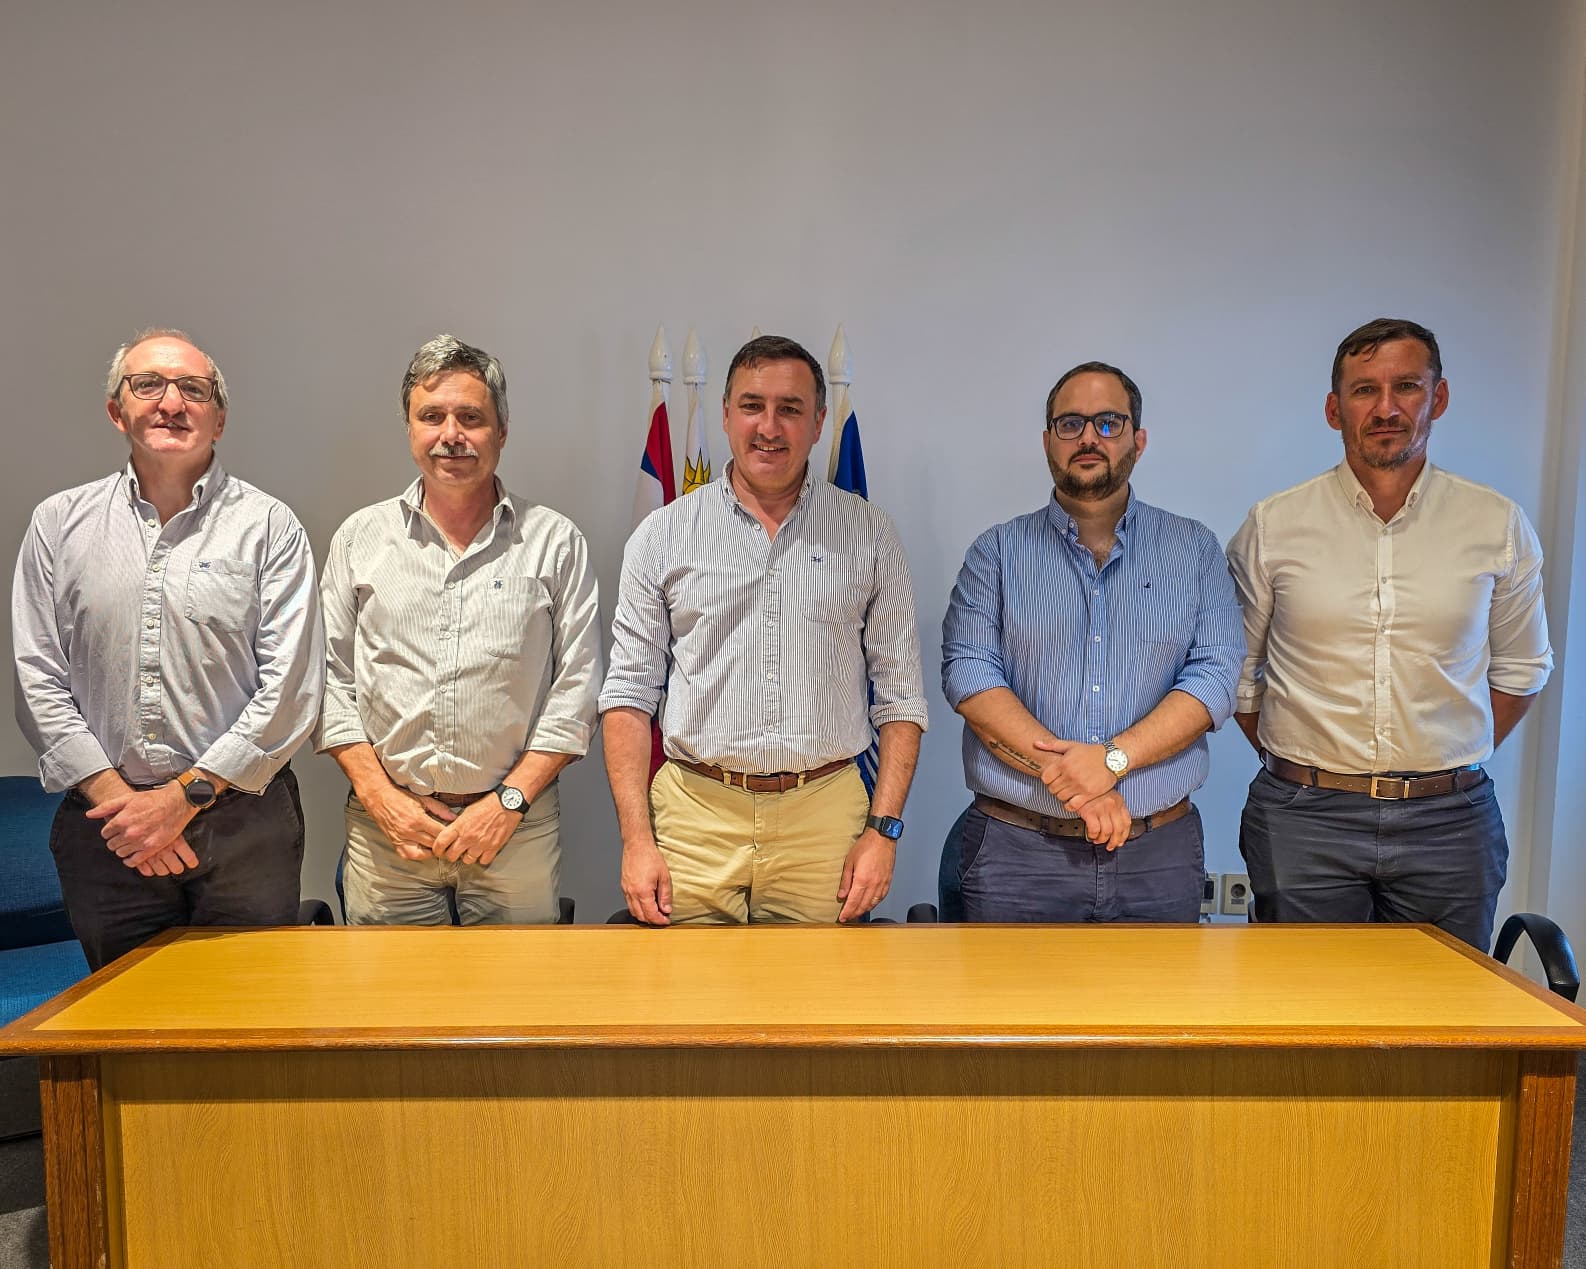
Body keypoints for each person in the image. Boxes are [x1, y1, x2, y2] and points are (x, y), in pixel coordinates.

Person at [1227, 317, 1553, 950]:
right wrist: (1300, 761)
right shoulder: (1273, 526)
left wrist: (1441, 761)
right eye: (1363, 390)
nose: (1385, 408)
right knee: (1307, 1003)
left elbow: (1522, 670)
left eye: (1406, 386)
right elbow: (1237, 673)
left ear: (1438, 397)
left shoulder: (1495, 525)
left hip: (1450, 823)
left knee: (1442, 1004)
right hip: (1304, 819)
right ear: (1334, 409)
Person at [12, 328, 323, 969]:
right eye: (148, 384)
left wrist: (181, 800)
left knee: (249, 1007)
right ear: (116, 409)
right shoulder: (58, 525)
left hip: (243, 825)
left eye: (194, 389)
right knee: (124, 1018)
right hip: (108, 827)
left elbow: (290, 688)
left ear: (220, 418)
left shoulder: (271, 527)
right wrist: (124, 806)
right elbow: (36, 677)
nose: (172, 403)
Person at [600, 334, 928, 924]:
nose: (769, 427)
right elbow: (628, 695)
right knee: (685, 984)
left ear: (819, 422)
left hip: (824, 819)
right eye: (752, 406)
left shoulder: (869, 534)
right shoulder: (663, 534)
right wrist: (635, 839)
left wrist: (883, 832)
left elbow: (901, 698)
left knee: (821, 986)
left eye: (790, 409)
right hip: (695, 817)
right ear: (726, 414)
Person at [942, 361, 1243, 921]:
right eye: (1070, 423)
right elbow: (970, 676)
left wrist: (1112, 760)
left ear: (1138, 440)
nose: (1088, 437)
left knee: (1158, 986)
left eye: (1108, 422)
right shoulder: (996, 554)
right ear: (1047, 442)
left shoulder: (1194, 550)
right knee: (1005, 986)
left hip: (1158, 853)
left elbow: (1215, 678)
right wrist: (1084, 784)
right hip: (1017, 853)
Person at [316, 335, 601, 925]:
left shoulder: (554, 542)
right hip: (389, 834)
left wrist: (507, 803)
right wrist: (381, 799)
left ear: (502, 431)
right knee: (391, 987)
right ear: (409, 428)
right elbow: (325, 682)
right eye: (432, 417)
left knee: (515, 986)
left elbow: (577, 690)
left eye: (471, 417)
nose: (451, 435)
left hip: (514, 830)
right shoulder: (359, 539)